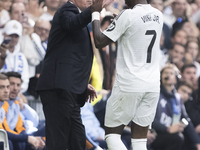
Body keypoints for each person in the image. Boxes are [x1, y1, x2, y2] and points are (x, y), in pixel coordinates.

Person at [92, 0, 163, 149]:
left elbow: (98, 41)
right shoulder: (158, 14)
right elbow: (136, 30)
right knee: (139, 142)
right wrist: (120, 21)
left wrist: (95, 13)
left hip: (129, 84)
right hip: (152, 86)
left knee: (112, 136)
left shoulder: (128, 16)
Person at [36, 0, 102, 149]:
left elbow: (68, 55)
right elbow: (73, 23)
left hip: (69, 88)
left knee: (78, 141)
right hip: (58, 88)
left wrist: (82, 84)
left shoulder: (79, 19)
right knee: (58, 142)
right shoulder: (66, 10)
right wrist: (95, 9)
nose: (90, 0)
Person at [0, 20, 29, 93]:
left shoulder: (22, 57)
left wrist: (17, 92)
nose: (13, 39)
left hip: (17, 94)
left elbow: (25, 80)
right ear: (4, 34)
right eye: (10, 35)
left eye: (16, 36)